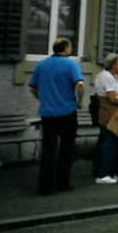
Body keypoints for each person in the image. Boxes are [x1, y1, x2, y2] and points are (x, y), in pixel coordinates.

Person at [28, 37, 85, 195]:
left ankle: (45, 186)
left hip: (47, 113)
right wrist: (80, 101)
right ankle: (62, 182)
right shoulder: (70, 64)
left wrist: (42, 98)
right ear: (66, 48)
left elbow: (32, 87)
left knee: (48, 149)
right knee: (66, 149)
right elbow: (80, 84)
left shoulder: (42, 64)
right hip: (67, 111)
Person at [94, 53, 118, 184]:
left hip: (117, 112)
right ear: (112, 64)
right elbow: (111, 97)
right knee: (109, 143)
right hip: (110, 112)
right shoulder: (106, 76)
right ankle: (103, 174)